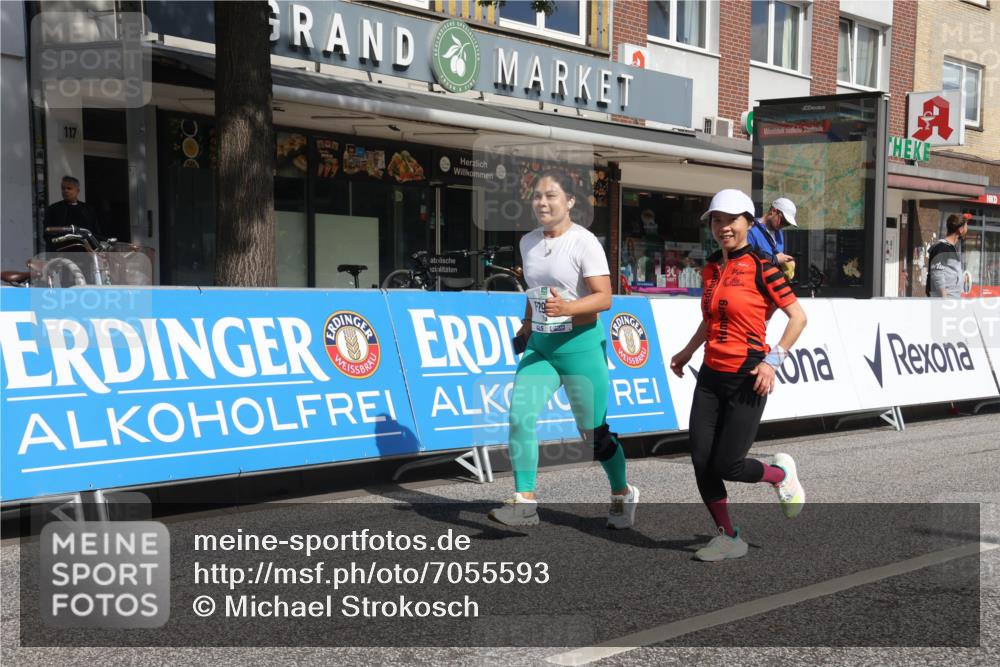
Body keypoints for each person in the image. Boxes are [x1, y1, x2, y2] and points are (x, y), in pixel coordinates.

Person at [489, 171, 638, 528]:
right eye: (537, 197)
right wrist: (527, 325)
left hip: (580, 347)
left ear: (570, 202)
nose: (542, 203)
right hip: (542, 346)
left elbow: (604, 298)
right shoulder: (527, 242)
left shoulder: (584, 242)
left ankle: (621, 492)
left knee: (592, 434)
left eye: (551, 196)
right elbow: (535, 291)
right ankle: (525, 501)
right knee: (520, 415)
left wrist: (567, 309)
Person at [670, 189, 808, 562]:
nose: (723, 227)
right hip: (711, 376)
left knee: (728, 465)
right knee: (701, 460)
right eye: (716, 220)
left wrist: (772, 362)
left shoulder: (765, 266)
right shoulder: (713, 266)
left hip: (748, 376)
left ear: (749, 222)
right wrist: (687, 351)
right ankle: (729, 536)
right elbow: (712, 318)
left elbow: (798, 317)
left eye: (731, 220)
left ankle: (780, 475)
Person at [44, 176, 100, 251]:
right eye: (63, 188)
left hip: (84, 251)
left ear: (77, 190)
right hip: (62, 251)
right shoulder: (53, 209)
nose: (65, 191)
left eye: (69, 188)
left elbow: (95, 232)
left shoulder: (88, 210)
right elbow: (47, 233)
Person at [748, 197, 797, 277]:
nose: (783, 226)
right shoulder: (751, 230)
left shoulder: (779, 232)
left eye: (787, 224)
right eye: (783, 221)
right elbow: (748, 258)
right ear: (773, 211)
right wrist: (775, 259)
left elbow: (778, 255)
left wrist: (786, 262)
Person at [927, 213, 969, 298]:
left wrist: (961, 278)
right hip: (945, 301)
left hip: (953, 299)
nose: (967, 229)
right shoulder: (941, 247)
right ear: (960, 230)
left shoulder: (951, 248)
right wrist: (944, 299)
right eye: (966, 226)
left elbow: (949, 272)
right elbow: (937, 274)